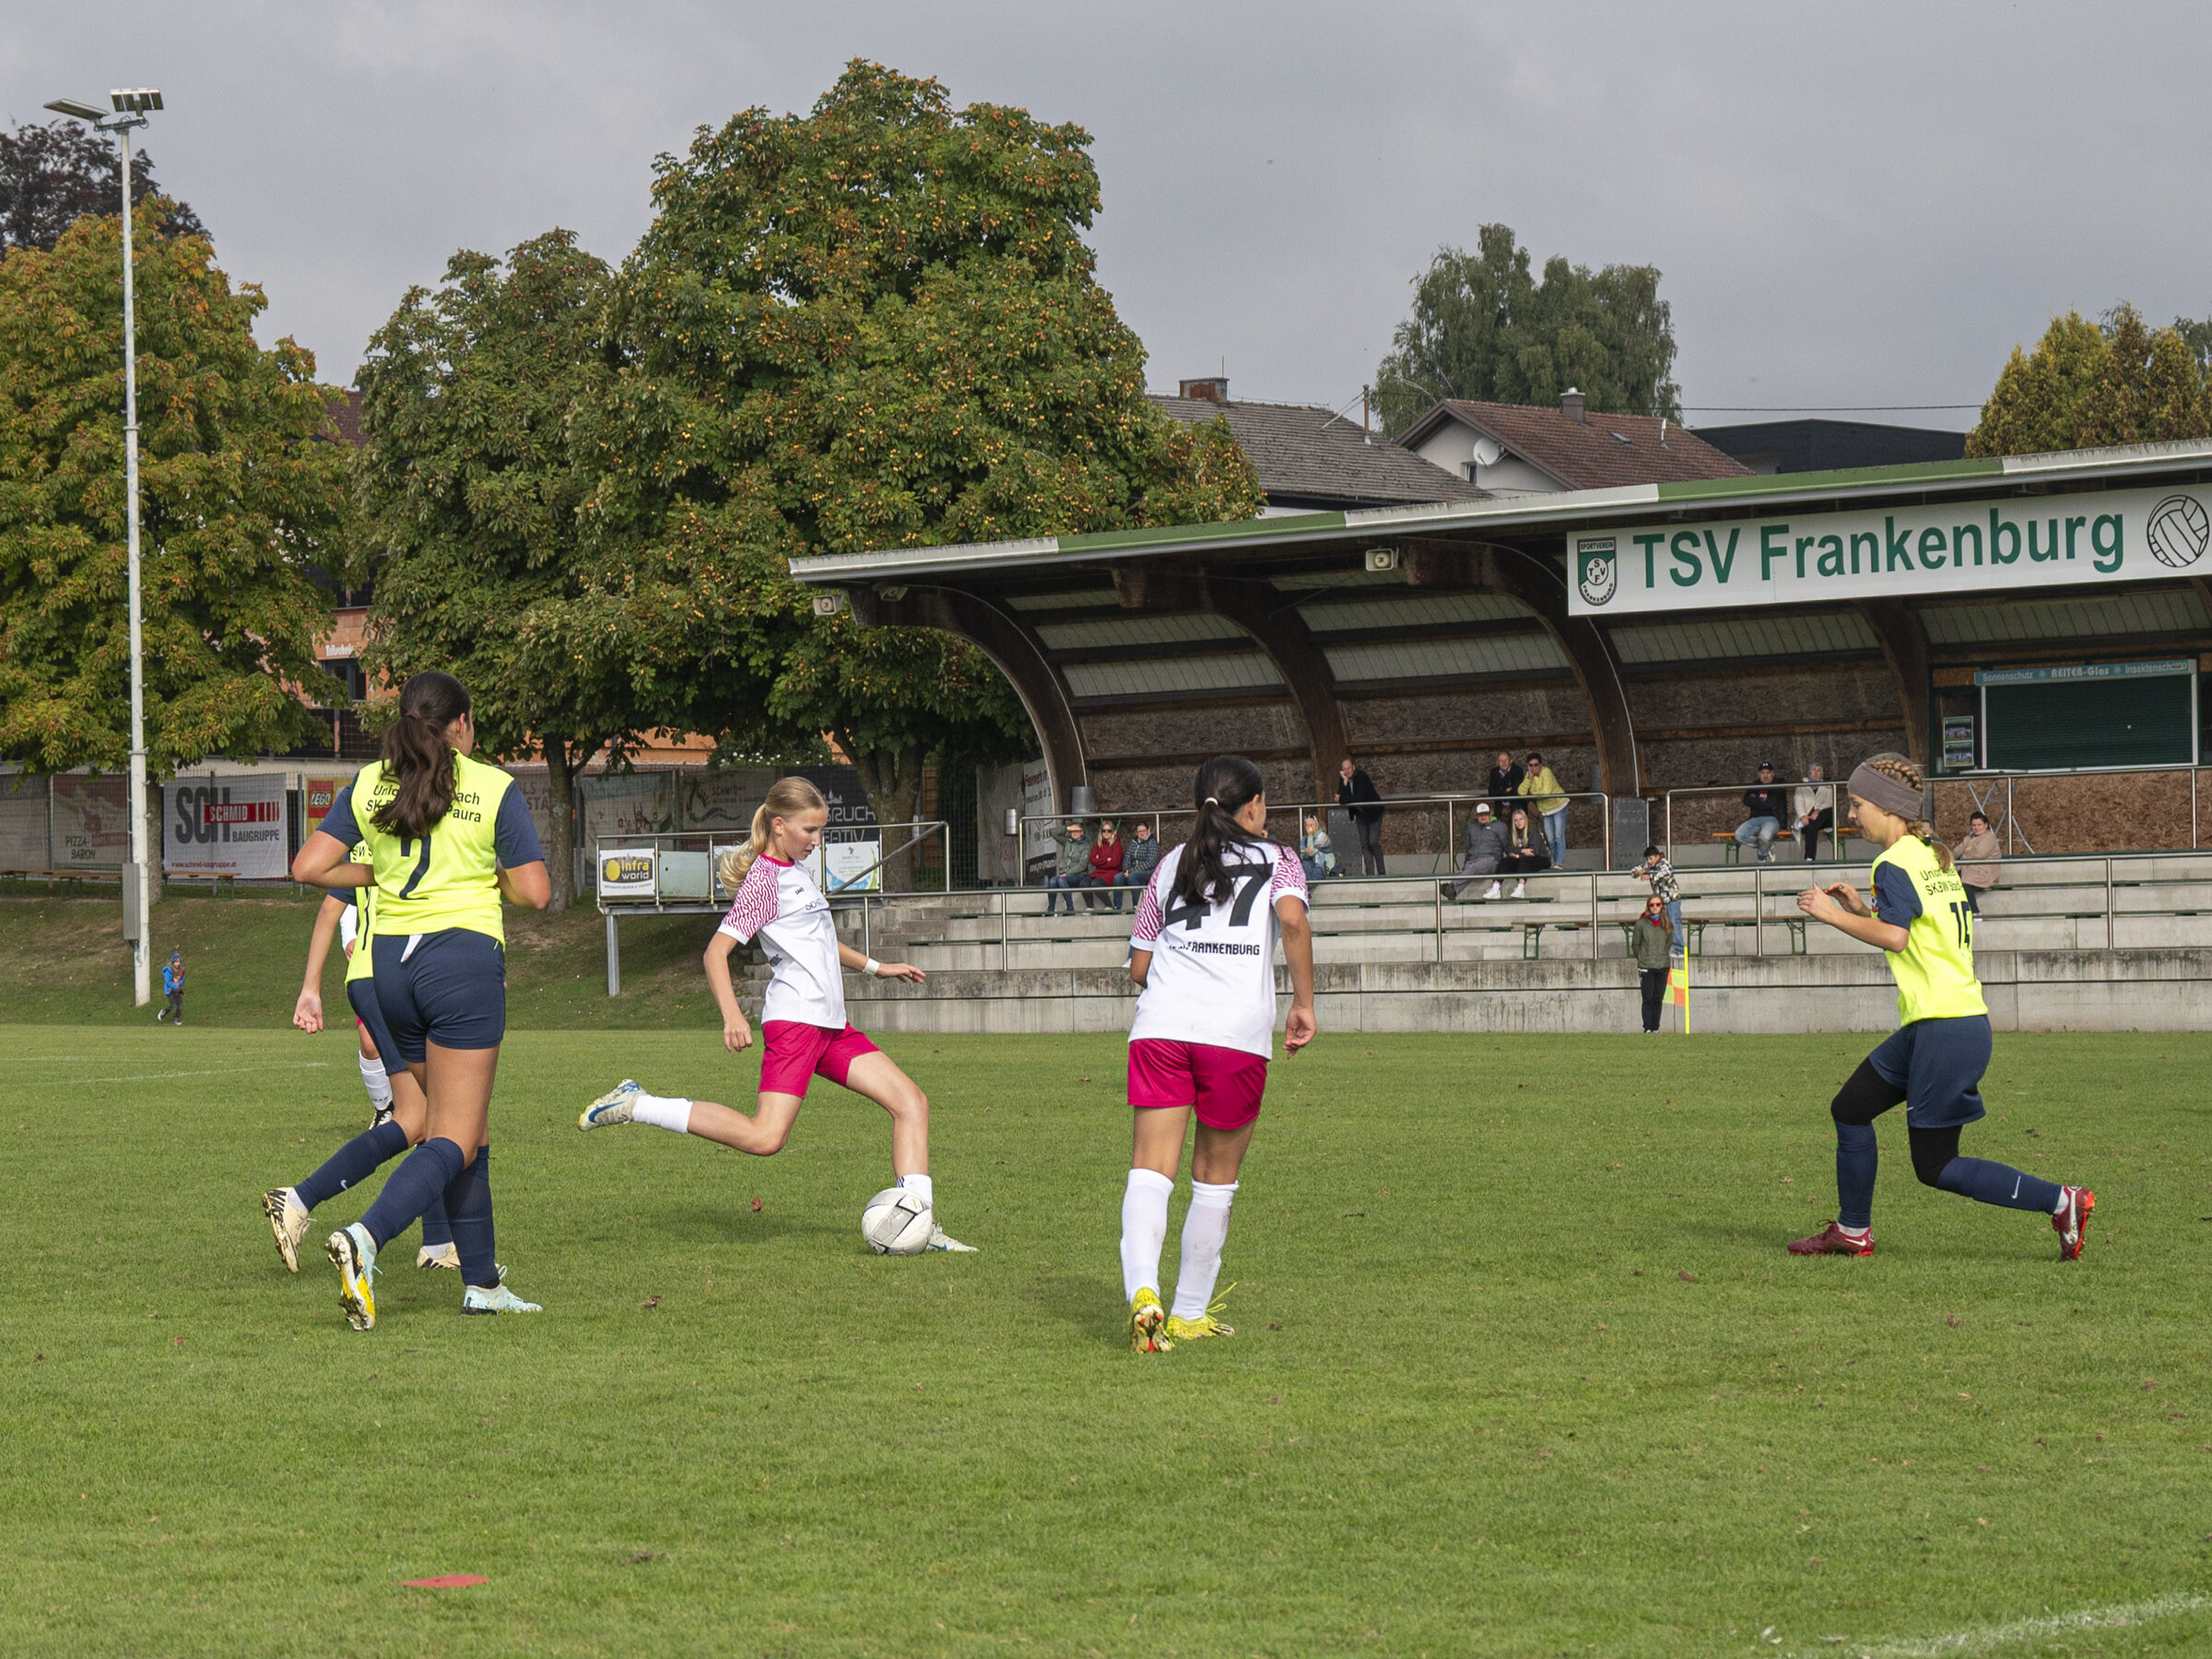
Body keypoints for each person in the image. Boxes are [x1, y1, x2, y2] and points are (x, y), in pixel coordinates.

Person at [577, 775, 974, 1253]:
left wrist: (876, 967)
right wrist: (732, 1016)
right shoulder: (764, 882)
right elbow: (715, 952)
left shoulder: (796, 871)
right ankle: (638, 1103)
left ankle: (918, 1225)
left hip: (830, 1026)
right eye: (810, 830)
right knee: (765, 1137)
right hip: (797, 1023)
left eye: (820, 831)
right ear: (780, 825)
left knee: (911, 1103)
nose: (816, 840)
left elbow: (819, 941)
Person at [292, 671, 553, 1329]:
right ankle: (366, 1238)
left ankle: (482, 1284)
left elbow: (307, 867)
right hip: (459, 964)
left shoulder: (369, 781)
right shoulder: (490, 785)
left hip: (388, 970)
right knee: (454, 1134)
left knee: (463, 1127)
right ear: (461, 723)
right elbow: (536, 892)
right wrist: (485, 873)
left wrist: (378, 871)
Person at [1789, 751, 2091, 1261]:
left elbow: (1898, 938)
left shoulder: (1892, 862)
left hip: (1944, 1028)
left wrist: (1830, 915)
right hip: (1944, 1024)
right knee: (1851, 1109)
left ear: (1887, 807)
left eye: (1858, 804)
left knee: (1934, 1165)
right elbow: (1920, 930)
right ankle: (1852, 1230)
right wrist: (1860, 908)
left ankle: (2062, 1201)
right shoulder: (1931, 854)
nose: (1852, 815)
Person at [1120, 754, 1315, 1352]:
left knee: (1150, 1169)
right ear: (1253, 805)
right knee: (1214, 1179)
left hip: (1162, 1027)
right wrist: (1304, 1002)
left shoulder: (1171, 862)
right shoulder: (1280, 859)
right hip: (1234, 1034)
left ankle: (1143, 1290)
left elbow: (1139, 967)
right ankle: (1188, 1313)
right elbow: (1293, 924)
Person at [263, 846, 459, 1275]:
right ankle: (303, 1201)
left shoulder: (369, 837)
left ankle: (438, 1241)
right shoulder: (419, 836)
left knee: (427, 1118)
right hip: (394, 979)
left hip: (377, 979)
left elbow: (329, 910)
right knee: (426, 1117)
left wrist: (311, 988)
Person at [1444, 800, 1508, 900]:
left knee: (1473, 867)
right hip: (1474, 860)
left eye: (1485, 814)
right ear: (1477, 816)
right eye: (1480, 815)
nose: (1483, 817)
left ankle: (1452, 885)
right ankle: (1453, 892)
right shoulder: (1472, 827)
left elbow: (1506, 844)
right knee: (1471, 867)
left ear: (1490, 814)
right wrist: (1464, 866)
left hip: (1492, 860)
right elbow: (1468, 848)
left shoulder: (1499, 826)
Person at [1518, 751, 1568, 868]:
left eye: (1536, 764)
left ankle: (1559, 863)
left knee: (1559, 836)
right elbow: (1521, 792)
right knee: (1550, 839)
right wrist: (1529, 779)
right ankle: (1556, 862)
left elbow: (1546, 792)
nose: (1533, 767)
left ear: (1541, 765)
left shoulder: (1547, 772)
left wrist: (1533, 794)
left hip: (1559, 806)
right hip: (1546, 811)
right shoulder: (1529, 776)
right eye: (1531, 765)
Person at [1336, 756, 1385, 876]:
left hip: (1373, 812)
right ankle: (1370, 873)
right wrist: (1345, 783)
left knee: (1373, 841)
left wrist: (1342, 798)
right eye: (1344, 769)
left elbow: (1359, 797)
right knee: (1365, 844)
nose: (1346, 771)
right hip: (1360, 814)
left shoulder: (1361, 776)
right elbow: (1339, 798)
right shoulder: (1343, 780)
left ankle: (1382, 872)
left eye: (1348, 768)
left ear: (1353, 767)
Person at [1631, 893, 1673, 1032]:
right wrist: (1642, 958)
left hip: (1662, 965)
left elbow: (1669, 942)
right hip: (1647, 966)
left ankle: (1656, 1027)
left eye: (1658, 904)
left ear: (1662, 906)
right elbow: (1636, 944)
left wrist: (1662, 954)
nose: (1655, 907)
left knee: (1658, 998)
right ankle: (1647, 1028)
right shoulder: (1641, 924)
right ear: (1648, 906)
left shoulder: (1667, 923)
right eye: (1652, 905)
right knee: (1647, 998)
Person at [1735, 761, 1790, 865]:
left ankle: (1761, 858)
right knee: (1739, 835)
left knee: (1765, 837)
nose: (1765, 776)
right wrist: (1762, 801)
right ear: (1759, 774)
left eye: (1768, 773)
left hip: (1772, 819)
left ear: (1772, 774)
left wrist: (1756, 800)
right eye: (1763, 773)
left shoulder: (1779, 785)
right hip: (1754, 818)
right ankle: (1767, 846)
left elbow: (1772, 803)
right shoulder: (1755, 784)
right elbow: (1746, 800)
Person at [1636, 844, 1685, 955]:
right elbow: (1638, 869)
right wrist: (1637, 872)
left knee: (1674, 922)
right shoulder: (1649, 865)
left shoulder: (1664, 863)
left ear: (1657, 856)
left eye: (1651, 858)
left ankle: (1679, 950)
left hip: (1672, 899)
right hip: (1660, 902)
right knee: (1660, 924)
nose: (1649, 861)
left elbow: (1664, 874)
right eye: (1647, 859)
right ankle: (1662, 949)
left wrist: (1649, 876)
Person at [1041, 818, 1091, 915]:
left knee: (1061, 880)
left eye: (1077, 831)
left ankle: (1070, 908)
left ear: (1082, 832)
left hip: (1079, 875)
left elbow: (1082, 865)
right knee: (1052, 881)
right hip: (1064, 874)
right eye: (1072, 831)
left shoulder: (1086, 846)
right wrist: (1067, 828)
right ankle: (1051, 909)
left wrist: (1068, 873)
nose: (1074, 833)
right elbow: (1053, 833)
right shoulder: (1067, 841)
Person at [1954, 811, 2000, 915]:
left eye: (1979, 825)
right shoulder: (1968, 838)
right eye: (1974, 825)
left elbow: (1979, 854)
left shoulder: (1989, 838)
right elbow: (1955, 852)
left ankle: (1975, 912)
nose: (1976, 828)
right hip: (1966, 870)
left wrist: (1965, 853)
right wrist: (1968, 850)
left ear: (1986, 825)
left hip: (1984, 872)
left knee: (1966, 884)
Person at [1500, 804, 1550, 898]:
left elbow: (1533, 852)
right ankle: (1495, 888)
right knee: (1505, 861)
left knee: (1525, 860)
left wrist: (1517, 854)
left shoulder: (1533, 829)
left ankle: (1520, 888)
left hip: (1542, 859)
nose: (1518, 822)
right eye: (1516, 820)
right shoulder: (1513, 832)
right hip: (1523, 858)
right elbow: (1509, 849)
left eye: (1521, 819)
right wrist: (1522, 851)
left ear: (1525, 819)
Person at [1794, 763, 1836, 863]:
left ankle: (1809, 857)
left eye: (1819, 770)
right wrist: (1803, 816)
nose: (1816, 772)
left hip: (1823, 818)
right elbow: (1798, 802)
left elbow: (1830, 802)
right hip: (1807, 820)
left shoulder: (1827, 787)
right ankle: (1810, 858)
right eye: (1814, 770)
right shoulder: (1801, 787)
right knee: (1811, 827)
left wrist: (1818, 811)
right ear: (1809, 772)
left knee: (1828, 811)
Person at [1115, 818, 1163, 905]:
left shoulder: (1152, 843)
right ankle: (1117, 906)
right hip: (1131, 871)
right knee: (1118, 878)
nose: (1141, 833)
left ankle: (1137, 905)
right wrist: (1126, 869)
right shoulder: (1133, 842)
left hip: (1148, 872)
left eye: (1143, 831)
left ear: (1148, 830)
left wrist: (1131, 871)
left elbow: (1151, 862)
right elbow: (1127, 857)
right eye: (1139, 831)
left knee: (1133, 876)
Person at [1084, 818, 1126, 912]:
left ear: (1113, 832)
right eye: (1104, 830)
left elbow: (1115, 863)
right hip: (1098, 871)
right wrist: (1106, 859)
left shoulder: (1116, 844)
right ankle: (1090, 906)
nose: (1106, 833)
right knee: (1084, 883)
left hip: (1113, 872)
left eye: (1109, 831)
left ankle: (1108, 905)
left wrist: (1099, 860)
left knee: (1096, 884)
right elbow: (1092, 860)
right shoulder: (1097, 844)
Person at [1486, 750, 1524, 823]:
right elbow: (1491, 792)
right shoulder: (1494, 772)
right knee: (1496, 823)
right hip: (1499, 805)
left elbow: (1516, 791)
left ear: (1511, 761)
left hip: (1515, 804)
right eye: (1501, 761)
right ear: (1498, 763)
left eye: (1506, 760)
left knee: (1517, 822)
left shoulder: (1518, 771)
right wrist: (1505, 791)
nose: (1503, 763)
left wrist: (1499, 791)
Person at [1297, 813, 1336, 884]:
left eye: (1311, 825)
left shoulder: (1323, 837)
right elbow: (1302, 855)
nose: (1308, 827)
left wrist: (1310, 836)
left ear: (1317, 826)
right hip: (1311, 865)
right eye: (1306, 825)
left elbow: (1311, 852)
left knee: (1318, 859)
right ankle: (1307, 885)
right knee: (1305, 864)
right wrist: (1305, 853)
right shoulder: (1304, 839)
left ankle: (1308, 886)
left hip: (1323, 866)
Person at [157, 949, 185, 1024]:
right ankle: (164, 1012)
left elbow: (182, 978)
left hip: (177, 989)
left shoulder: (181, 970)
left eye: (179, 961)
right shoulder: (168, 971)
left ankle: (176, 1019)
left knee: (180, 1005)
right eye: (176, 962)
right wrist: (176, 986)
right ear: (172, 962)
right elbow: (168, 982)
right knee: (173, 1005)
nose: (178, 963)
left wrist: (179, 984)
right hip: (169, 991)